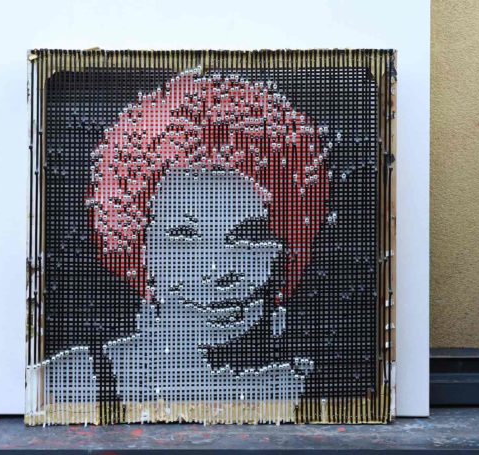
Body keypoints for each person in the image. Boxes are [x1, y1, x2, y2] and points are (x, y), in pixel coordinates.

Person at [89, 69, 330, 417]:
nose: (219, 271)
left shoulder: (320, 389)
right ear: (137, 246)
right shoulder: (76, 380)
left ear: (286, 246)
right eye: (184, 237)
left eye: (247, 237)